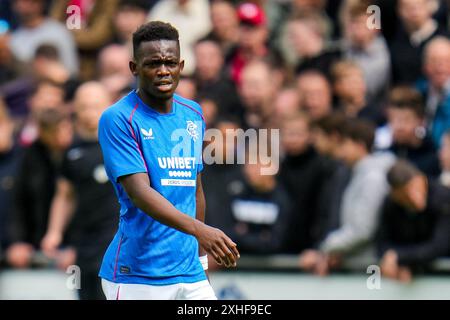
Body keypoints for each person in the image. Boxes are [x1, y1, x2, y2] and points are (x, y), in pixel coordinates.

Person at [97, 21, 239, 300]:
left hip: (190, 274)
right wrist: (202, 231)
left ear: (182, 66)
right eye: (153, 64)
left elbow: (194, 189)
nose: (163, 70)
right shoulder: (118, 119)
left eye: (170, 62)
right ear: (134, 68)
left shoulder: (193, 114)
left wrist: (201, 261)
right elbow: (140, 193)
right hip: (138, 275)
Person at [40, 82, 119, 300]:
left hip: (118, 240)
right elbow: (65, 195)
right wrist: (54, 232)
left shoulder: (122, 145)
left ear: (108, 106)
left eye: (95, 106)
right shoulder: (71, 150)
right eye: (83, 106)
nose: (89, 112)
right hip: (83, 243)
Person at [300, 119, 395, 275]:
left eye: (344, 144)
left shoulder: (372, 178)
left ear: (360, 145)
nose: (341, 151)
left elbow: (362, 229)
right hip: (356, 263)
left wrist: (326, 247)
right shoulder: (356, 174)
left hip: (369, 268)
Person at [6, 108, 73, 269]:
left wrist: (78, 246)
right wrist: (18, 241)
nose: (61, 136)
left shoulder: (78, 153)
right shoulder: (30, 157)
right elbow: (18, 201)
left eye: (65, 129)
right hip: (36, 244)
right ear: (42, 132)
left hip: (74, 245)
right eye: (55, 131)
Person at [378, 160, 450, 282]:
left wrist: (400, 257)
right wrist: (401, 263)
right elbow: (382, 242)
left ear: (421, 179)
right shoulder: (390, 204)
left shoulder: (443, 197)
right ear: (395, 194)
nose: (415, 197)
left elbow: (440, 246)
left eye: (416, 188)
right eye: (407, 193)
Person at [386, 86, 440, 177]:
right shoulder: (386, 153)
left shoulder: (432, 157)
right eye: (393, 120)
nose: (399, 127)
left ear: (420, 121)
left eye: (405, 120)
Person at [416, 36, 450, 147]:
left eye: (446, 61)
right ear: (425, 66)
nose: (440, 67)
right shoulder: (417, 92)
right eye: (434, 61)